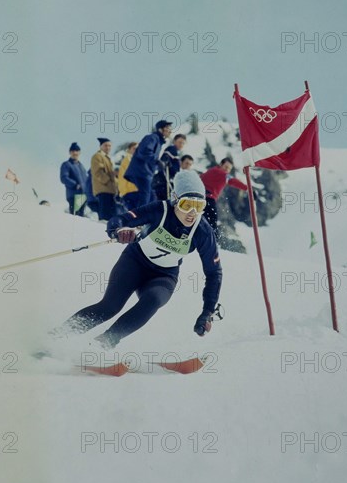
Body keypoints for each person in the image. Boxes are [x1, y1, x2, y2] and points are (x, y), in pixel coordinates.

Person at [53, 170, 223, 349]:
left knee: (154, 299)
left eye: (199, 206)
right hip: (134, 263)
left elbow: (214, 273)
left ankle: (102, 345)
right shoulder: (160, 210)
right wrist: (118, 231)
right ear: (175, 199)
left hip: (164, 275)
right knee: (110, 307)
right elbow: (120, 219)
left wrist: (207, 311)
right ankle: (57, 336)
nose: (192, 213)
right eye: (187, 204)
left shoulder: (203, 231)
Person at [124, 119, 172, 207]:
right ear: (160, 129)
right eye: (167, 128)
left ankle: (144, 215)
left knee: (151, 196)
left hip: (146, 172)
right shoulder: (152, 137)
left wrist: (161, 163)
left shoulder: (159, 141)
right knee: (146, 195)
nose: (170, 130)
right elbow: (144, 151)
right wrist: (157, 161)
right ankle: (139, 216)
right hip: (141, 171)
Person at [200, 157, 249, 240]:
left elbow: (201, 177)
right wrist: (248, 189)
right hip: (208, 200)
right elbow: (233, 181)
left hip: (200, 198)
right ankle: (212, 243)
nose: (227, 170)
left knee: (202, 220)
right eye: (226, 167)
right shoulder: (222, 174)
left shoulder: (211, 170)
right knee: (212, 223)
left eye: (229, 168)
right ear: (221, 165)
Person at [91, 137, 118, 220]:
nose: (108, 147)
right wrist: (108, 181)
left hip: (110, 189)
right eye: (106, 145)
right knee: (105, 213)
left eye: (109, 146)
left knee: (111, 213)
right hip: (103, 189)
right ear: (100, 146)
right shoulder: (97, 156)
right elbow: (97, 172)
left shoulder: (107, 157)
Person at [154, 133, 187, 200]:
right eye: (179, 142)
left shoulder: (176, 153)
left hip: (165, 181)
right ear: (174, 141)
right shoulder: (171, 150)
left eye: (183, 143)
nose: (181, 145)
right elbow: (163, 163)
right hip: (164, 182)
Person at [60, 142, 88, 216]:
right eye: (73, 151)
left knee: (81, 217)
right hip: (73, 194)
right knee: (75, 217)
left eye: (77, 151)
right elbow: (64, 178)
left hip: (83, 195)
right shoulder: (66, 164)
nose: (75, 153)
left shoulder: (81, 166)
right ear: (70, 152)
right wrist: (75, 185)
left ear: (79, 152)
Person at [117, 142, 140, 210]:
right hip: (131, 190)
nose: (136, 150)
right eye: (134, 149)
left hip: (129, 190)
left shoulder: (130, 159)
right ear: (129, 149)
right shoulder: (129, 159)